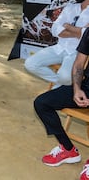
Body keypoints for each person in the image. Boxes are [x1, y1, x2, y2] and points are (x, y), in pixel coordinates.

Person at [33, 27, 89, 180]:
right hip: (86, 88)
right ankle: (68, 149)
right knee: (42, 103)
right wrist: (77, 89)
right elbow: (78, 65)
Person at [25, 0, 89, 88]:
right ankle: (61, 85)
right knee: (30, 64)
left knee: (65, 77)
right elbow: (55, 29)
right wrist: (78, 32)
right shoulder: (70, 7)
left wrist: (68, 26)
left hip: (76, 52)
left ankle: (62, 84)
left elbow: (86, 36)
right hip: (59, 47)